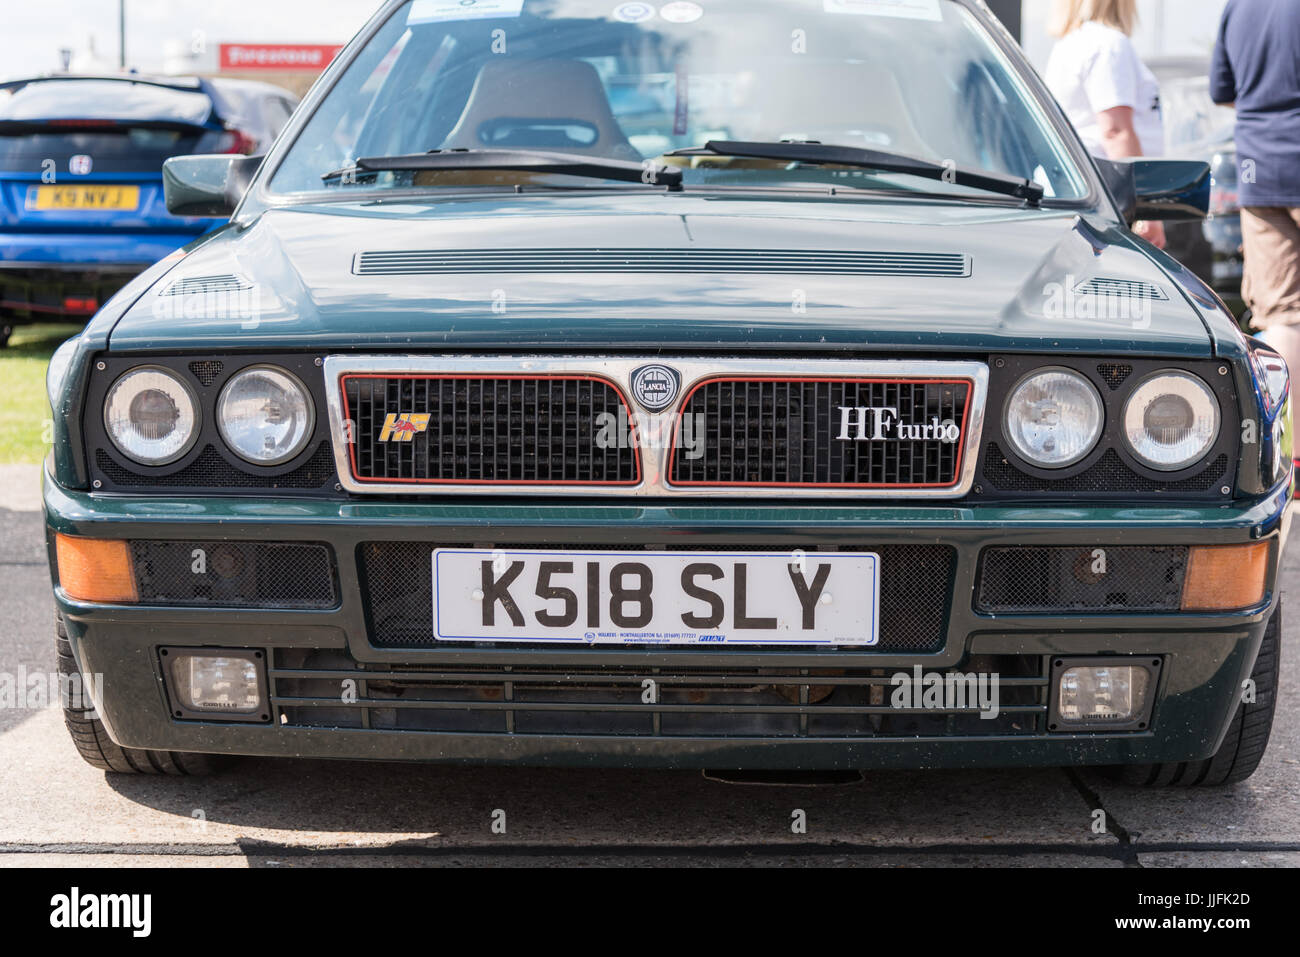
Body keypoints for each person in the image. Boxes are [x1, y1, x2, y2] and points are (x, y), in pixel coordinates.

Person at [1211, 0, 1300, 378]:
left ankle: (1291, 438)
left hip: (1259, 170)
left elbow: (1222, 91)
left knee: (1284, 315)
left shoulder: (1239, 6)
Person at [1045, 0, 1165, 249]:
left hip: (1086, 195)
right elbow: (1116, 131)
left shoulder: (1071, 43)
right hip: (1110, 201)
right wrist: (1145, 209)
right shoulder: (1109, 45)